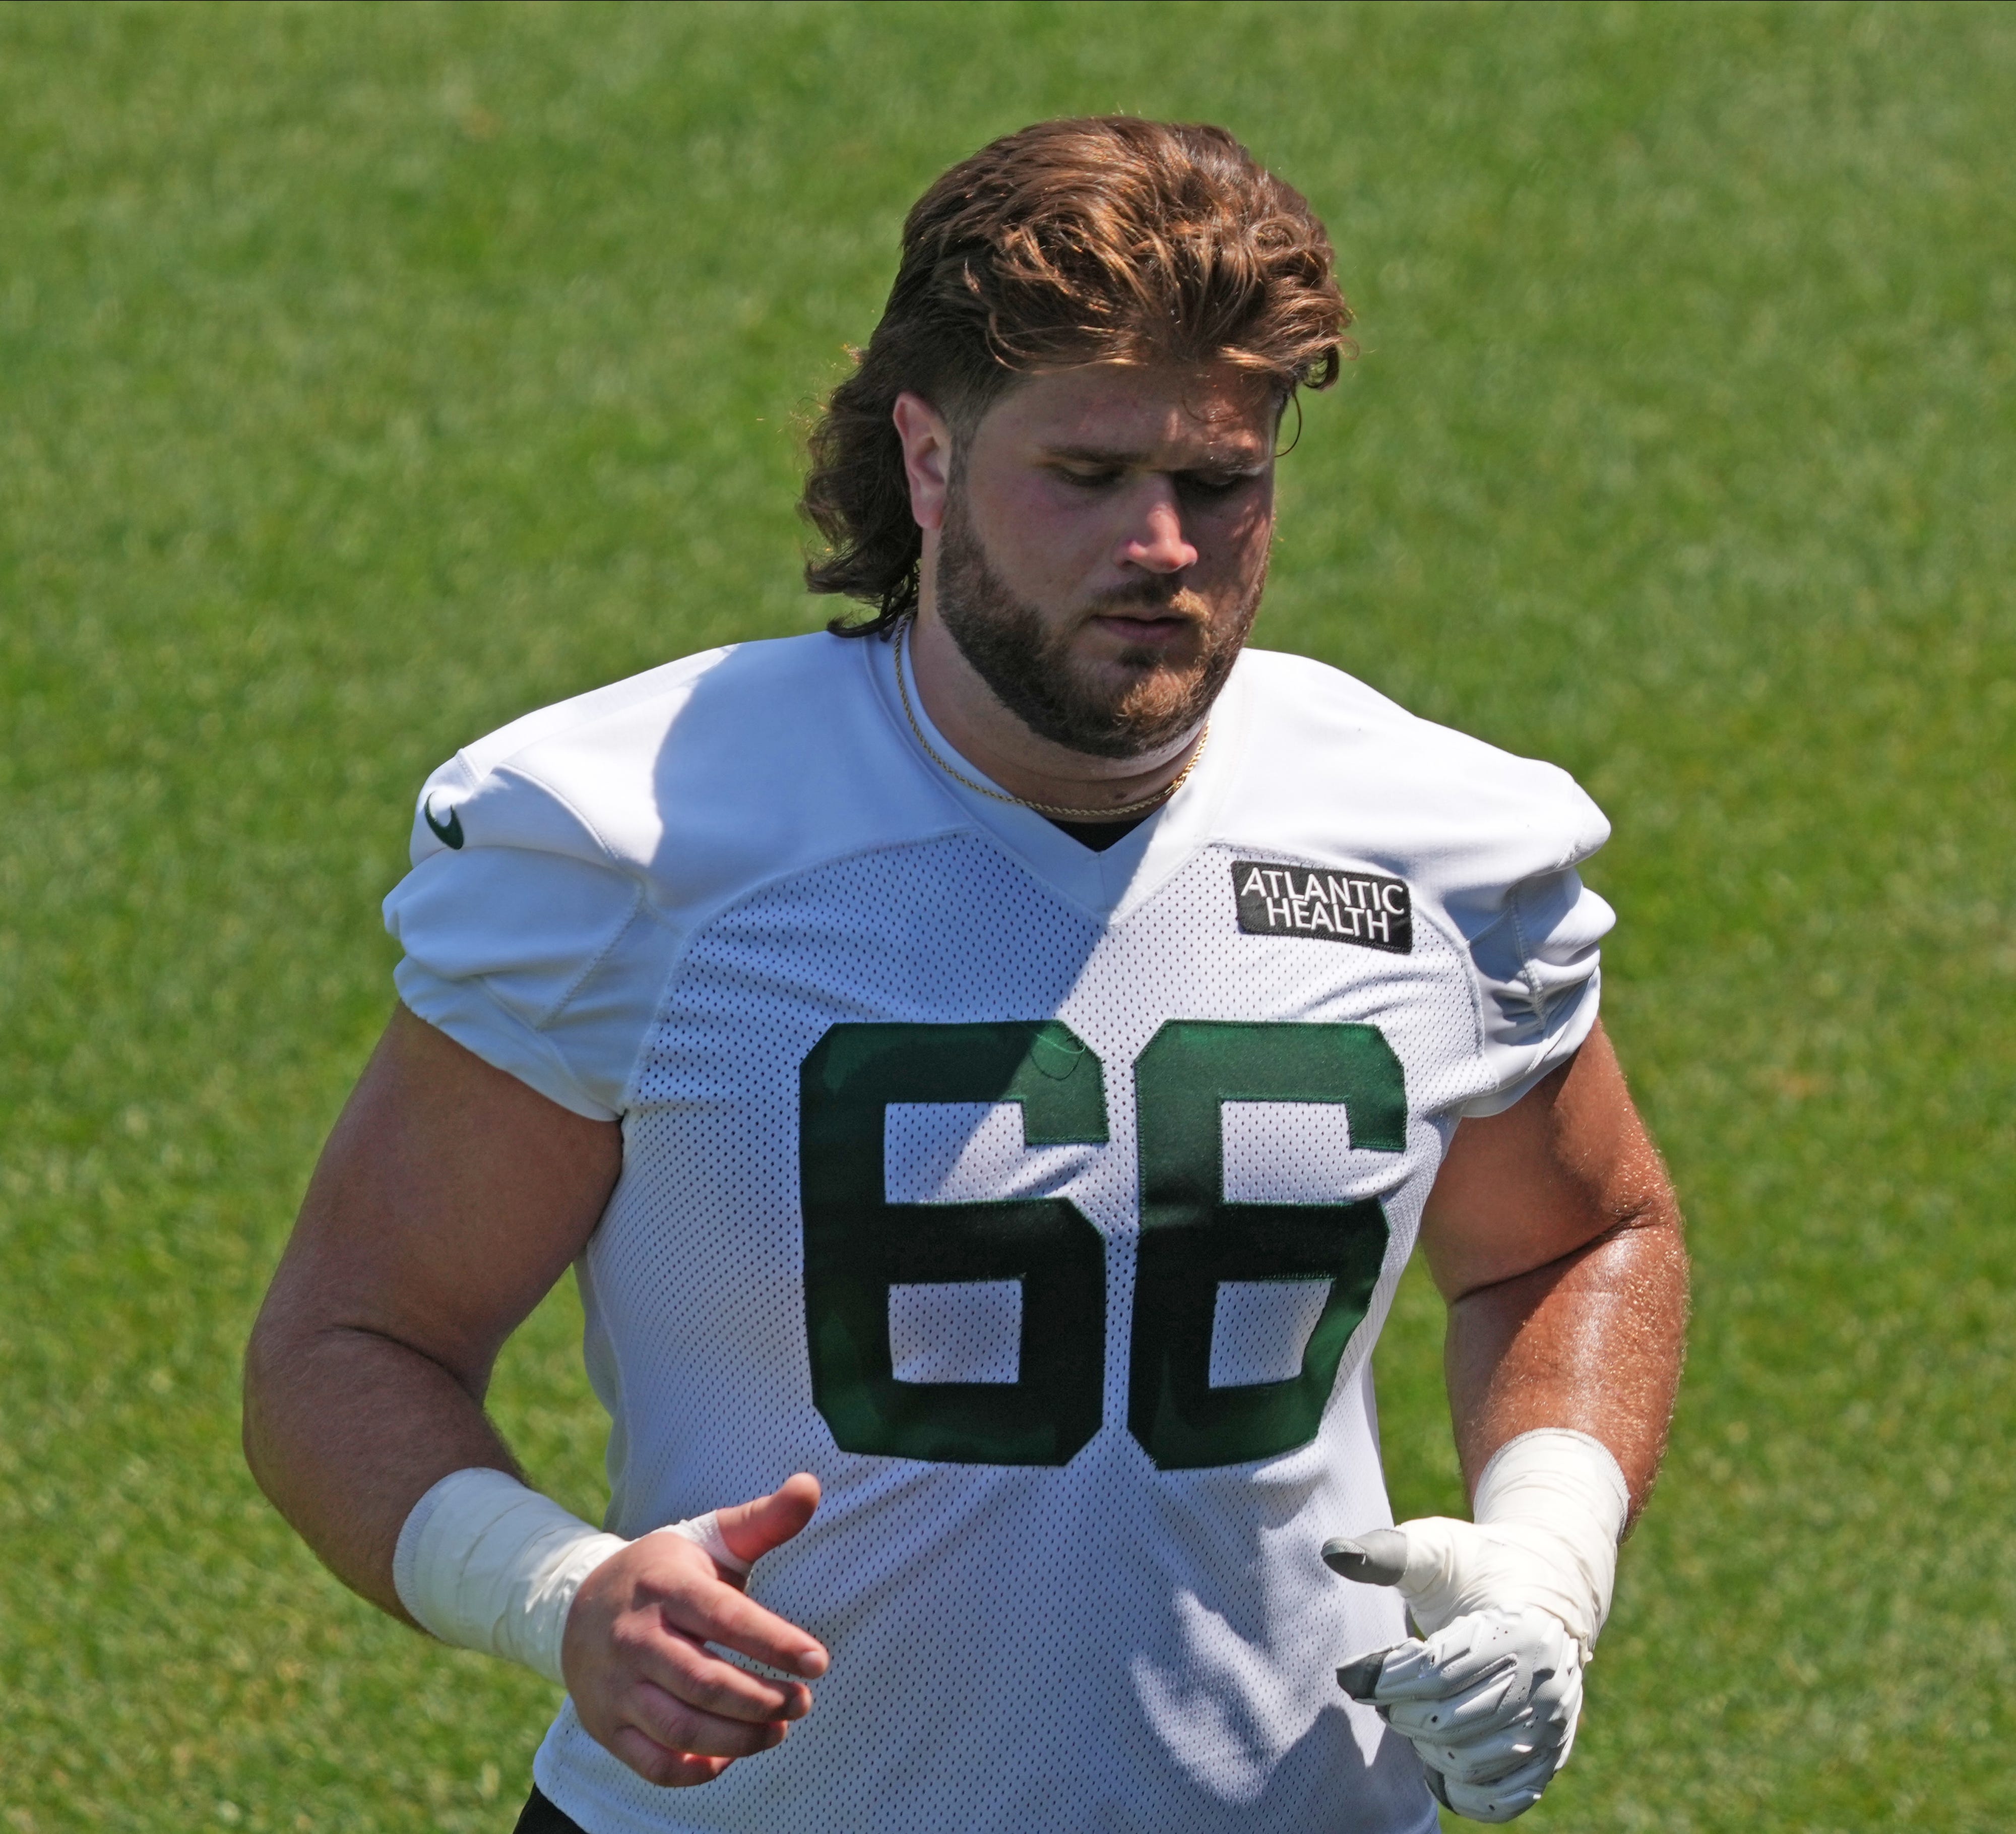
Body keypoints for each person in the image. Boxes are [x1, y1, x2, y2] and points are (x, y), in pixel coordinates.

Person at [244, 116, 1686, 1833]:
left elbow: (1584, 1236)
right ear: (926, 460)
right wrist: (562, 1595)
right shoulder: (635, 841)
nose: (1163, 544)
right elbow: (350, 1343)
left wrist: (1542, 1566)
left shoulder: (1437, 842)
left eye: (1220, 484)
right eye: (1085, 477)